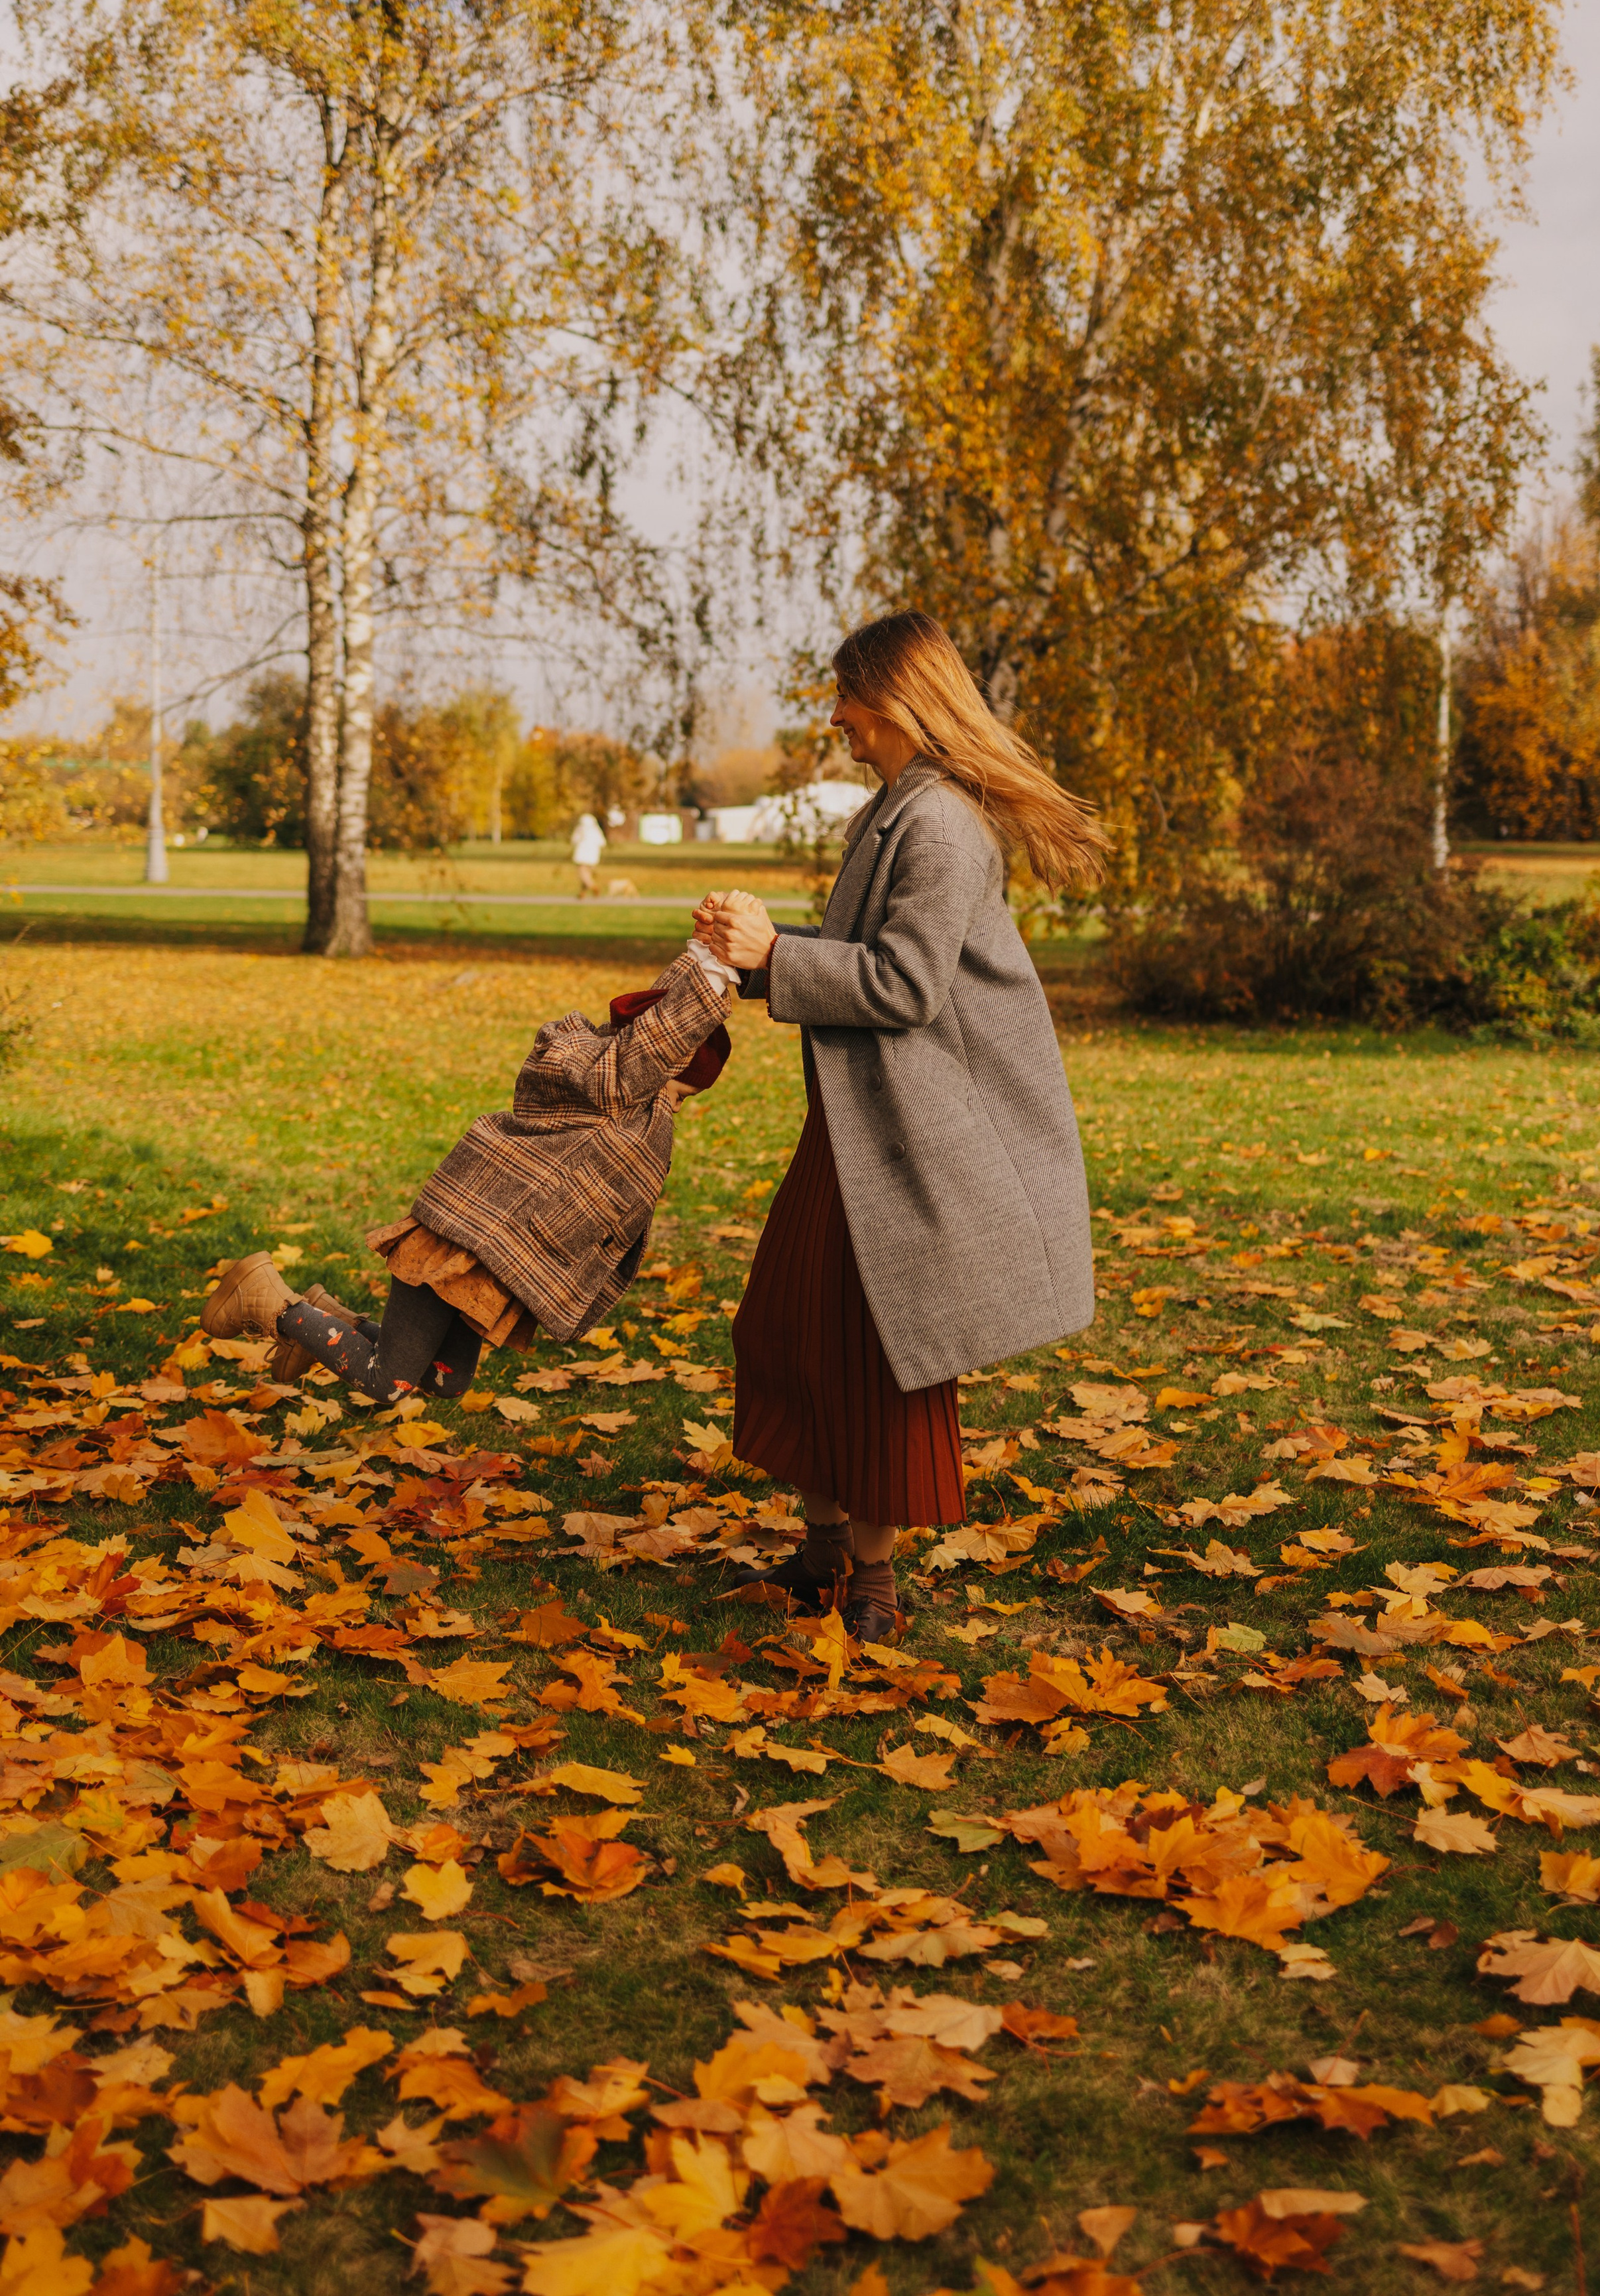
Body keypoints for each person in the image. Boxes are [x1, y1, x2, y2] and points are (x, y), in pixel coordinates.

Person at [692, 609, 1105, 1641]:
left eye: (846, 693)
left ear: (896, 699)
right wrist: (754, 958)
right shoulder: (894, 808)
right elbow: (855, 957)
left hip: (917, 1135)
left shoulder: (942, 825)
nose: (834, 714)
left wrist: (777, 953)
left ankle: (872, 1582)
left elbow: (906, 983)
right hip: (859, 1124)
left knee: (882, 1351)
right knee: (788, 1326)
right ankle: (825, 1551)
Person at [200, 942, 737, 1402]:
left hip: (488, 1262)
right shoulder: (619, 1085)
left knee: (447, 1379)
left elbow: (660, 1017)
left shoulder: (625, 1089)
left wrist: (708, 950)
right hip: (463, 1244)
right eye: (681, 1095)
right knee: (389, 1382)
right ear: (657, 1065)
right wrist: (712, 973)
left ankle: (320, 1317)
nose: (677, 1107)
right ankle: (270, 1298)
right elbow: (665, 1029)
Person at [571, 809, 606, 897]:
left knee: (583, 874)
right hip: (593, 856)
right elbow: (602, 843)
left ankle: (593, 887)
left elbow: (574, 840)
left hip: (581, 856)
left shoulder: (580, 829)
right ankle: (582, 893)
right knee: (588, 875)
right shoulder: (596, 830)